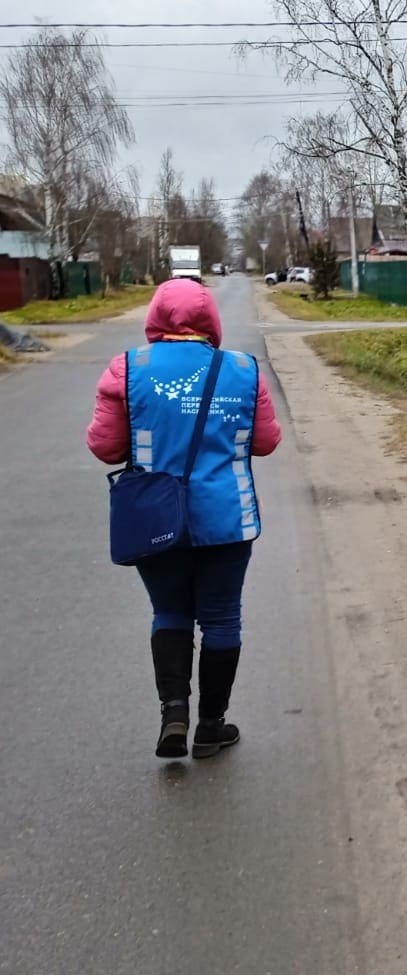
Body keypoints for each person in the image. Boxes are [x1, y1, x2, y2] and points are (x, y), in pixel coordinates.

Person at [86, 279, 281, 759]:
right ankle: (210, 728)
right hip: (228, 519)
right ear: (211, 320)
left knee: (170, 612)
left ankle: (174, 712)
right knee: (221, 618)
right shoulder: (242, 370)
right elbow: (266, 441)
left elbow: (104, 446)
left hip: (155, 521)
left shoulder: (127, 369)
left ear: (155, 317)